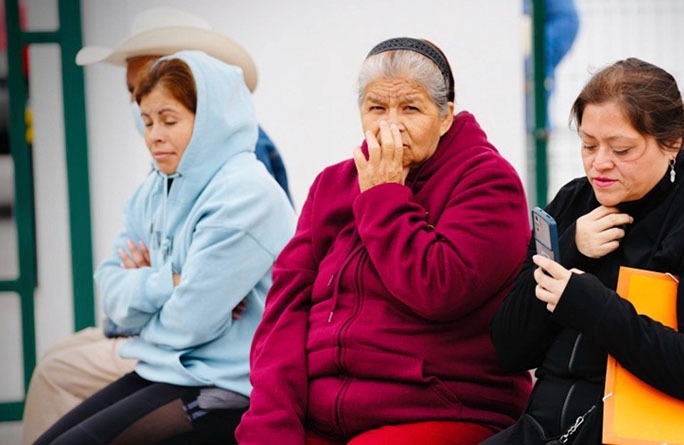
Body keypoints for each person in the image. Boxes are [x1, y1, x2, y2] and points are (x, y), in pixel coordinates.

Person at [235, 37, 532, 445]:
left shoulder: (488, 182)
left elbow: (440, 290)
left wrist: (384, 197)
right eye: (377, 108)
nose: (391, 125)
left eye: (410, 108)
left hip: (440, 408)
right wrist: (271, 426)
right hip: (324, 415)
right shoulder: (333, 185)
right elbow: (285, 312)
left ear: (445, 117)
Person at [20, 8, 294, 444]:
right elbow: (112, 290)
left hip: (221, 382)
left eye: (167, 119)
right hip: (165, 365)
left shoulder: (245, 188)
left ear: (205, 109)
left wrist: (153, 294)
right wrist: (168, 282)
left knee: (61, 390)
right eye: (144, 114)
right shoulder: (161, 182)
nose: (151, 133)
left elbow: (193, 322)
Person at [484, 58, 684, 444]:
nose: (599, 164)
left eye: (621, 149)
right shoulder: (575, 202)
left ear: (671, 142)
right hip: (549, 430)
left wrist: (591, 305)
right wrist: (569, 249)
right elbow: (510, 348)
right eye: (588, 145)